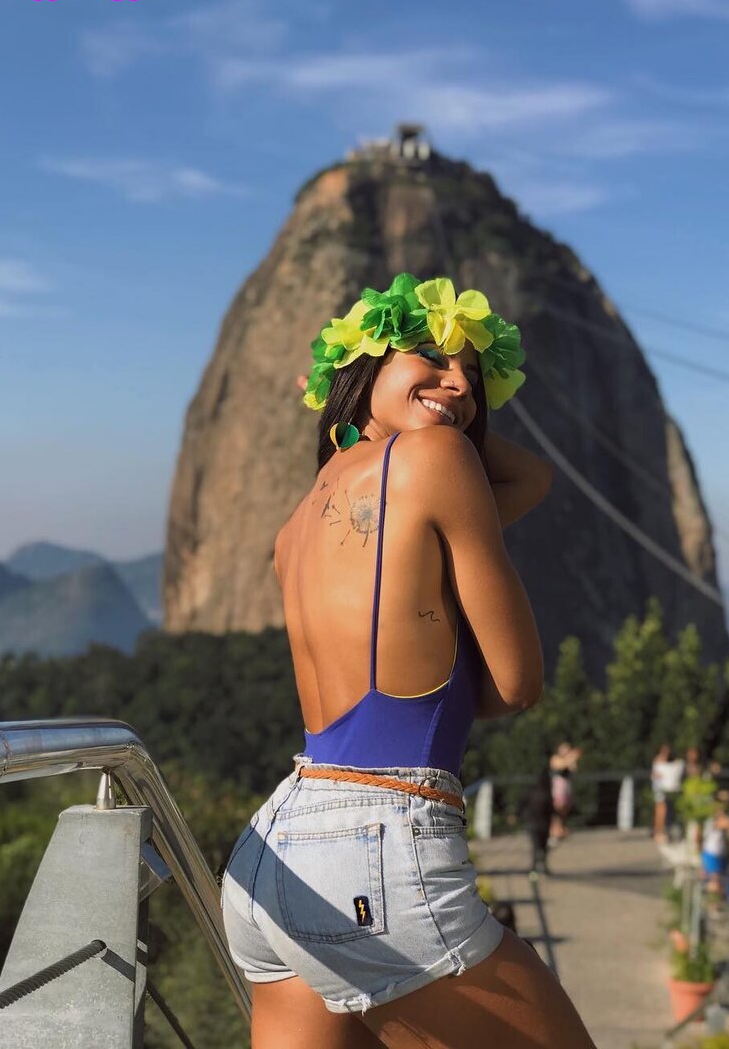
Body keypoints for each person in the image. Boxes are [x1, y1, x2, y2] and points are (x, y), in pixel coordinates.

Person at [221, 274, 596, 1048]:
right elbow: (517, 684)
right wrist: (436, 424)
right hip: (378, 840)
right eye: (431, 355)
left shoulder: (296, 527)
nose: (460, 384)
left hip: (273, 852)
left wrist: (387, 402)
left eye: (473, 376)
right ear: (363, 366)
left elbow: (533, 480)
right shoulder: (438, 460)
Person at [522, 767, 554, 877]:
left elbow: (522, 806)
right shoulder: (546, 794)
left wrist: (523, 817)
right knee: (543, 847)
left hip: (533, 824)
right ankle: (541, 867)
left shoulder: (530, 792)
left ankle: (534, 868)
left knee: (536, 847)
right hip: (543, 825)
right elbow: (551, 810)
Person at [651, 744, 685, 843]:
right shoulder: (658, 761)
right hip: (660, 790)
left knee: (665, 811)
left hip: (666, 790)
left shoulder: (669, 762)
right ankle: (658, 831)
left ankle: (661, 831)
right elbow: (656, 775)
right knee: (660, 811)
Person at [549, 743, 582, 842]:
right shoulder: (555, 758)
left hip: (566, 787)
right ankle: (554, 831)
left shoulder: (569, 759)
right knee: (557, 809)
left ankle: (561, 829)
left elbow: (574, 770)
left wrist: (572, 761)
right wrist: (571, 758)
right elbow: (560, 766)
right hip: (558, 787)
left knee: (564, 810)